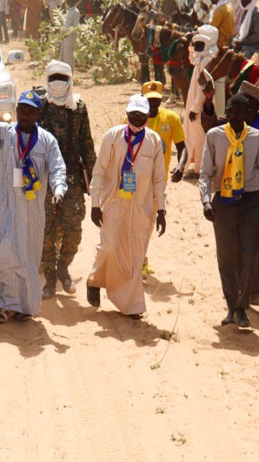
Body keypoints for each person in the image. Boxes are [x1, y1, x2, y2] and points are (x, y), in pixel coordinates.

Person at [0, 86, 67, 322]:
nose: (25, 116)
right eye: (22, 111)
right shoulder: (2, 133)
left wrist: (59, 191)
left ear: (38, 115)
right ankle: (4, 304)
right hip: (6, 209)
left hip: (32, 212)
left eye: (31, 112)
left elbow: (58, 168)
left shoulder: (47, 141)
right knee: (6, 252)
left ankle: (24, 306)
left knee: (28, 257)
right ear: (17, 111)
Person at [200, 81, 259, 307]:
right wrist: (208, 102)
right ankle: (236, 295)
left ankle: (257, 291)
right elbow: (208, 123)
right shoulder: (226, 125)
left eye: (247, 103)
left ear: (254, 107)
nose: (239, 109)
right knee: (231, 250)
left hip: (255, 198)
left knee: (258, 247)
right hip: (225, 198)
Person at [87, 94, 166, 318]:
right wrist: (95, 204)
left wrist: (161, 209)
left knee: (135, 256)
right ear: (127, 114)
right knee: (110, 246)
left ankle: (131, 305)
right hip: (114, 202)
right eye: (133, 115)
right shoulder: (112, 136)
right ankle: (95, 280)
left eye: (142, 115)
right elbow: (99, 171)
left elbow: (159, 178)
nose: (137, 119)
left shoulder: (153, 140)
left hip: (142, 207)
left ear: (148, 116)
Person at [38, 60, 97, 298]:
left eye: (62, 77)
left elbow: (87, 144)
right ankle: (50, 278)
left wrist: (94, 180)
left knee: (73, 229)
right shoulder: (39, 106)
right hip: (44, 180)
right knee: (46, 231)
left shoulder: (79, 107)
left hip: (72, 180)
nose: (58, 83)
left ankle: (63, 268)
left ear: (71, 79)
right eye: (53, 78)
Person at [184, 26, 219, 172]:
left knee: (199, 135)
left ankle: (199, 169)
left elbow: (202, 89)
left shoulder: (206, 61)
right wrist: (191, 44)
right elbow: (192, 58)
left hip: (201, 103)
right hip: (193, 100)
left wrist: (195, 108)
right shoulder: (201, 57)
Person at [141, 80, 187, 179]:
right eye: (149, 99)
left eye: (156, 99)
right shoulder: (132, 120)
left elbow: (182, 147)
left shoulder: (171, 118)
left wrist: (180, 166)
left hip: (160, 177)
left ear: (161, 98)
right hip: (137, 176)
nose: (153, 103)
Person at [60, 0, 80, 68]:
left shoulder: (76, 12)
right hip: (65, 37)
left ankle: (70, 73)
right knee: (64, 56)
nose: (67, 3)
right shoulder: (69, 11)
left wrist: (66, 32)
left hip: (71, 37)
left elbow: (75, 27)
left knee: (70, 57)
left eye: (68, 1)